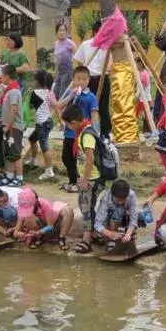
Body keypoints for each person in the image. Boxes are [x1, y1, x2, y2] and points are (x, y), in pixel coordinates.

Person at [62, 104, 105, 254]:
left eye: (67, 124)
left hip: (92, 178)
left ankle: (87, 239)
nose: (67, 127)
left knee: (86, 207)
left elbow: (89, 159)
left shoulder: (86, 134)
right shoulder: (83, 131)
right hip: (87, 176)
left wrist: (85, 180)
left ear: (73, 122)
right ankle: (93, 233)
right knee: (83, 204)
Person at [57, 65, 99, 192]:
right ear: (73, 80)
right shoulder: (72, 93)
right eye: (78, 79)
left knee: (80, 159)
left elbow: (94, 114)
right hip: (69, 133)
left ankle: (77, 182)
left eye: (84, 79)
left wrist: (94, 129)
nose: (81, 82)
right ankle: (73, 180)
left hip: (82, 134)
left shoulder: (91, 97)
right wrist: (71, 96)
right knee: (66, 157)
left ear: (89, 80)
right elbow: (59, 106)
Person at [74, 21, 110, 137]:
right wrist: (84, 75)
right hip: (88, 80)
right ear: (95, 32)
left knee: (103, 107)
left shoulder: (107, 46)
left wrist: (106, 70)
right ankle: (85, 131)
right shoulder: (86, 44)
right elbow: (79, 60)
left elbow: (111, 62)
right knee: (86, 105)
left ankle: (105, 134)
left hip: (103, 78)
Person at [26, 69, 58, 181]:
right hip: (48, 121)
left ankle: (49, 170)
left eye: (34, 80)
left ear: (38, 81)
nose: (33, 82)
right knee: (32, 139)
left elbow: (29, 107)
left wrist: (28, 93)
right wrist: (61, 121)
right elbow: (56, 106)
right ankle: (33, 159)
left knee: (44, 147)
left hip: (42, 123)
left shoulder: (35, 94)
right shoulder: (50, 93)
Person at [93, 179, 139, 252]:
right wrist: (110, 234)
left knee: (140, 215)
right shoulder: (106, 198)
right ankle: (111, 238)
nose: (121, 202)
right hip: (106, 218)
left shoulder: (131, 195)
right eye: (118, 199)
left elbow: (134, 218)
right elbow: (98, 224)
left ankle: (123, 234)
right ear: (112, 194)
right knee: (118, 211)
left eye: (123, 199)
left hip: (121, 216)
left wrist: (128, 234)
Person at [0, 64, 25, 187]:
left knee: (15, 153)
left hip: (13, 127)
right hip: (8, 127)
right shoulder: (9, 90)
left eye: (2, 75)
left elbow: (13, 109)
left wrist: (7, 126)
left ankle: (19, 177)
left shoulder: (14, 91)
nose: (1, 77)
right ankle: (9, 175)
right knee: (8, 153)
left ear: (7, 76)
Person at [53, 22, 77, 100]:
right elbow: (56, 59)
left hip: (67, 71)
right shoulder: (56, 43)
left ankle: (63, 111)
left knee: (62, 95)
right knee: (54, 94)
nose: (62, 32)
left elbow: (77, 56)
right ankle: (57, 111)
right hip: (59, 71)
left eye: (63, 30)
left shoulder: (70, 43)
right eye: (60, 30)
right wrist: (55, 73)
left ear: (66, 32)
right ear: (56, 32)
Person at [135, 57, 154, 136]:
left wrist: (136, 95)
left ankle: (150, 131)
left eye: (136, 63)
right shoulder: (142, 72)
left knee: (145, 115)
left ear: (141, 64)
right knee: (140, 114)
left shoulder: (143, 74)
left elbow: (141, 87)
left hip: (144, 98)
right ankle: (147, 131)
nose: (135, 65)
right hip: (143, 98)